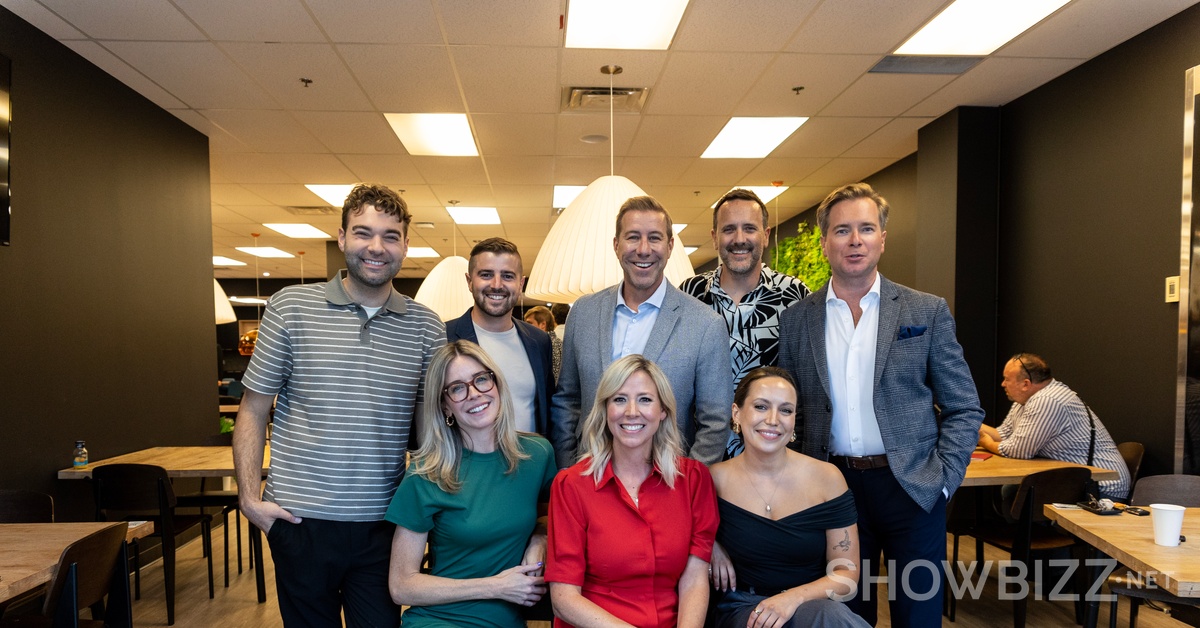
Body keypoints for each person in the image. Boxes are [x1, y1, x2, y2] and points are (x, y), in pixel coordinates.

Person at [234, 183, 446, 627]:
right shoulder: (290, 307)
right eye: (363, 232)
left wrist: (426, 511)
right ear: (342, 237)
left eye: (390, 235)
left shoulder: (426, 327)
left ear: (406, 244)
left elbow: (432, 432)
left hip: (384, 523)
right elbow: (253, 408)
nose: (376, 246)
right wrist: (250, 499)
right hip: (300, 520)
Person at [778, 182, 984, 627]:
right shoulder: (797, 320)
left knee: (920, 616)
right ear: (824, 240)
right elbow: (790, 412)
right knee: (848, 616)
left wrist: (943, 481)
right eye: (842, 230)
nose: (855, 241)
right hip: (834, 490)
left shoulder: (924, 311)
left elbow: (965, 407)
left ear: (883, 238)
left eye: (866, 229)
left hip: (912, 487)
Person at [550, 195, 734, 467]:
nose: (644, 249)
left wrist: (685, 486)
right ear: (616, 245)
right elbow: (567, 401)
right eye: (633, 237)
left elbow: (716, 421)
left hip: (667, 484)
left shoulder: (705, 324)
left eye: (655, 238)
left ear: (670, 246)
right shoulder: (584, 313)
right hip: (589, 479)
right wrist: (569, 470)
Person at [387, 340, 558, 627]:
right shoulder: (427, 473)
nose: (474, 394)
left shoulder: (537, 455)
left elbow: (550, 516)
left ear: (497, 383)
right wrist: (496, 586)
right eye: (457, 388)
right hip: (439, 620)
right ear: (445, 406)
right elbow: (401, 585)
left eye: (481, 380)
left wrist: (540, 538)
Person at [546, 355, 718, 628]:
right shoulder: (571, 485)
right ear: (605, 410)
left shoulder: (694, 480)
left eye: (645, 399)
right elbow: (563, 598)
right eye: (619, 399)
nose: (631, 411)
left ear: (663, 411)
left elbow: (695, 578)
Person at [709, 367, 868, 628]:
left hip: (811, 606)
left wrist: (792, 599)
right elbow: (681, 533)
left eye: (785, 410)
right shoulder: (713, 480)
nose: (773, 419)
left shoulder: (827, 478)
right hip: (743, 608)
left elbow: (846, 575)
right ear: (736, 413)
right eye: (761, 407)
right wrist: (710, 544)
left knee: (829, 617)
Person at [680, 188, 810, 457]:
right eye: (729, 229)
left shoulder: (795, 296)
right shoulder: (689, 294)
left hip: (774, 459)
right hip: (701, 459)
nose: (739, 239)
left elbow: (809, 381)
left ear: (766, 234)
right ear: (715, 238)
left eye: (749, 228)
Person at [978, 353, 1131, 501]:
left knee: (1016, 493)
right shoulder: (1026, 401)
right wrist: (967, 423)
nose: (1003, 384)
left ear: (1025, 384)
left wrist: (987, 443)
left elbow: (1019, 450)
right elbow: (1003, 435)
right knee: (1011, 490)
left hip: (1101, 486)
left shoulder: (1047, 400)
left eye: (1006, 379)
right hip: (1074, 481)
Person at [446, 238, 555, 437]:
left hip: (531, 463)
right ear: (470, 281)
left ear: (520, 284)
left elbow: (547, 410)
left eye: (507, 276)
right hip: (466, 464)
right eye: (486, 275)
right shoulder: (443, 338)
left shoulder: (539, 342)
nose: (497, 285)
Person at [524, 305, 562, 380]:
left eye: (529, 323)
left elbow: (554, 377)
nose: (525, 327)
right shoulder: (558, 342)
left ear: (543, 325)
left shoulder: (547, 344)